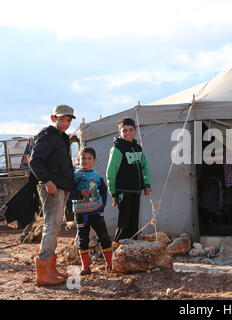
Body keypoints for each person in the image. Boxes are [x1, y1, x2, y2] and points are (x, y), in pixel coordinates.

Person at [29, 104, 75, 286]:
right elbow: (35, 161)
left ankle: (50, 269)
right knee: (51, 225)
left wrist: (66, 185)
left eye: (68, 120)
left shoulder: (61, 138)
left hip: (59, 186)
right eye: (62, 119)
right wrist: (48, 182)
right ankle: (42, 273)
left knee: (55, 226)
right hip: (51, 187)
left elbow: (61, 164)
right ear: (53, 118)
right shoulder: (48, 135)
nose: (65, 123)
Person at [106, 118, 152, 247]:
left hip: (136, 190)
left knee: (133, 222)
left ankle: (132, 250)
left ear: (135, 131)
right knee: (124, 223)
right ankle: (117, 250)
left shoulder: (138, 148)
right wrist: (113, 193)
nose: (128, 133)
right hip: (123, 191)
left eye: (131, 130)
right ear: (119, 132)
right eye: (124, 130)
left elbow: (145, 167)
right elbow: (111, 172)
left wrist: (146, 185)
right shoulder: (117, 148)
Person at [70, 147, 112, 275]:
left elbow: (104, 190)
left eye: (89, 158)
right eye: (83, 158)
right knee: (83, 239)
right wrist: (79, 194)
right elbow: (68, 193)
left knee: (103, 236)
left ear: (94, 160)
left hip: (96, 212)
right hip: (81, 213)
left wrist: (102, 204)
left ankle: (110, 264)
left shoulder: (98, 177)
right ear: (78, 159)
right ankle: (85, 267)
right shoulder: (75, 176)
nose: (86, 161)